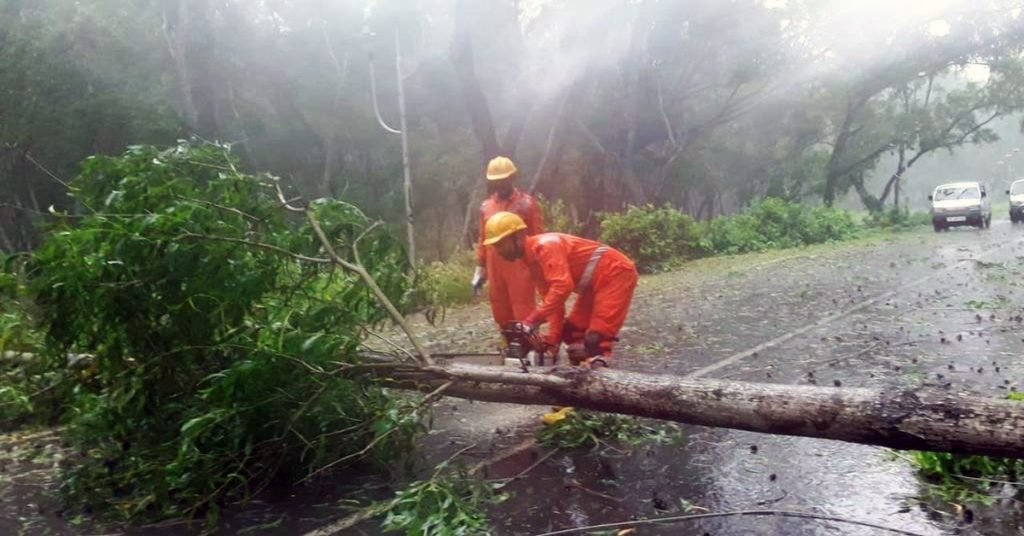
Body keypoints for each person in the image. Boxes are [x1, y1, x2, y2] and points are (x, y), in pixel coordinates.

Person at [482, 211, 639, 368]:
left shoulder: (547, 246)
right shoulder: (530, 261)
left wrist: (532, 320)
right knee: (572, 332)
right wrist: (553, 341)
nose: (497, 251)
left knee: (596, 339)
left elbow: (562, 287)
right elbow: (554, 303)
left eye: (499, 245)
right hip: (593, 285)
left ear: (517, 237)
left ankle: (600, 375)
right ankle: (578, 377)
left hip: (616, 273)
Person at [471, 157, 552, 344]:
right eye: (496, 180)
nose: (500, 184)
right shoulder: (485, 207)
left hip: (520, 263)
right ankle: (509, 345)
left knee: (523, 309)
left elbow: (537, 235)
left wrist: (541, 267)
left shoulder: (526, 204)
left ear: (512, 178)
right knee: (500, 309)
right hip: (494, 262)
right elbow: (483, 238)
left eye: (504, 179)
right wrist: (479, 268)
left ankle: (531, 347)